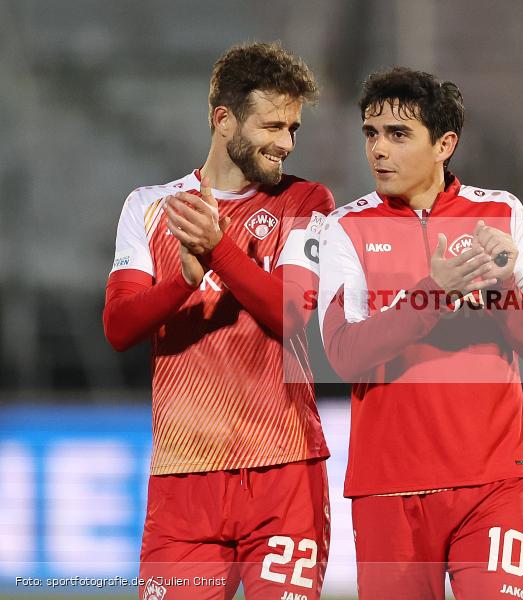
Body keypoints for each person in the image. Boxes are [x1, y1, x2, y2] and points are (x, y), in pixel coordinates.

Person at [102, 42, 333, 600]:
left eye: (293, 129)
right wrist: (183, 280)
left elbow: (292, 314)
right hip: (183, 480)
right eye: (272, 126)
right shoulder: (151, 206)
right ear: (223, 119)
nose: (286, 143)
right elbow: (118, 327)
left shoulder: (306, 201)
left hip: (283, 472)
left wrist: (218, 251)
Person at [317, 67, 523, 599]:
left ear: (444, 145)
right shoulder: (345, 227)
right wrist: (433, 292)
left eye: (398, 134)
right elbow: (344, 355)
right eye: (371, 133)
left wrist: (502, 287)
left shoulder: (500, 212)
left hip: (494, 481)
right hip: (389, 489)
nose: (379, 149)